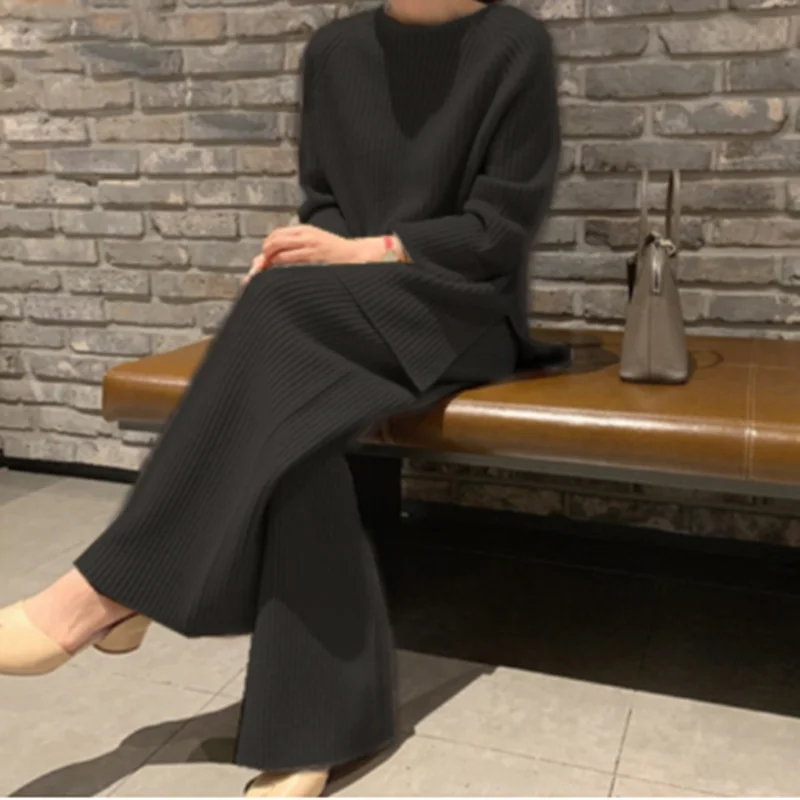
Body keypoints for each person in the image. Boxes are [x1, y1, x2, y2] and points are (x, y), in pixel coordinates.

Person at [0, 0, 569, 795]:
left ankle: (105, 594)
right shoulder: (335, 51)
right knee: (299, 437)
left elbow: (499, 229)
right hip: (349, 304)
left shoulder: (514, 45)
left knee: (276, 321)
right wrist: (306, 252)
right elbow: (324, 198)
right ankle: (315, 732)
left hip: (459, 312)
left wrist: (367, 250)